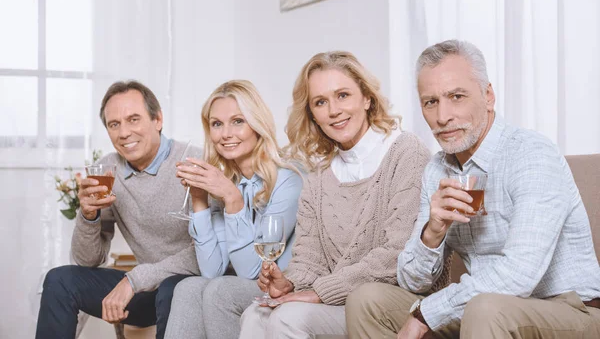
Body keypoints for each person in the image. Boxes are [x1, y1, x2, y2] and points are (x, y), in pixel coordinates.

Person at [345, 39, 600, 339]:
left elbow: (520, 275)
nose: (442, 116)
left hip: (568, 309)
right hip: (481, 308)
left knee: (485, 309)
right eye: (431, 102)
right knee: (367, 300)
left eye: (456, 96)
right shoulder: (437, 171)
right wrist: (433, 232)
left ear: (488, 96)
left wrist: (425, 313)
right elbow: (412, 282)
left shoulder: (531, 154)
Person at [239, 51, 436, 338]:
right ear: (313, 115)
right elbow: (309, 259)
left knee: (287, 319)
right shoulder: (319, 176)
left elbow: (398, 254)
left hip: (387, 303)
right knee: (255, 314)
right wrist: (289, 283)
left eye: (343, 95)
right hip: (336, 299)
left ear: (366, 98)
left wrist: (320, 292)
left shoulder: (406, 152)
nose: (333, 110)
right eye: (320, 102)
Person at [36, 80, 201, 339]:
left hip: (191, 286)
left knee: (173, 289)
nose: (124, 133)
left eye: (133, 119)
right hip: (147, 289)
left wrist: (134, 280)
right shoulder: (108, 170)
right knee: (60, 280)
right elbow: (88, 261)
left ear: (157, 119)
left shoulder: (195, 162)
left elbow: (209, 252)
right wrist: (88, 215)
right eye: (114, 124)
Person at [164, 80, 302, 339]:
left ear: (257, 124)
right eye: (217, 124)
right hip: (249, 284)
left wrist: (231, 197)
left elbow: (251, 271)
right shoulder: (228, 179)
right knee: (187, 287)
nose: (226, 133)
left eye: (237, 121)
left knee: (219, 291)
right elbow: (211, 269)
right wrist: (198, 197)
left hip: (284, 286)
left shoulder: (288, 178)